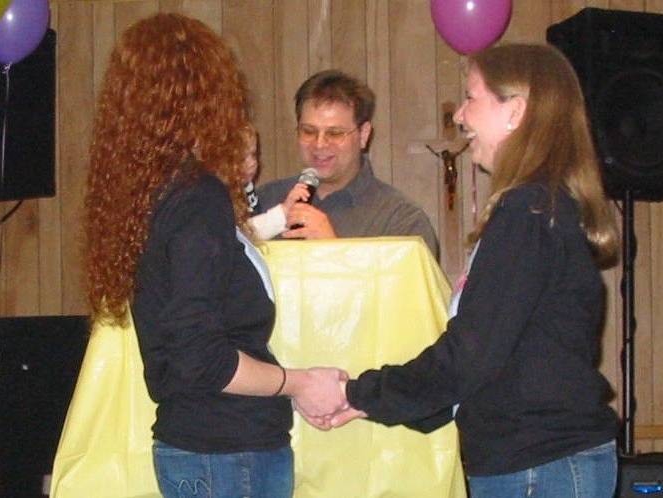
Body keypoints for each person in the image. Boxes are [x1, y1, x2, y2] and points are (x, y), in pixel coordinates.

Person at [328, 44, 621, 498]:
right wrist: (369, 402)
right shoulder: (537, 206)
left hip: (538, 467)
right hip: (538, 462)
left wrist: (358, 393)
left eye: (471, 98)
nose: (461, 116)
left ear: (516, 111)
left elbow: (470, 357)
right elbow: (492, 364)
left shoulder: (528, 209)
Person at [82, 13, 347, 498]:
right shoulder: (195, 195)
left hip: (206, 448)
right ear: (205, 94)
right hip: (228, 455)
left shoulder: (155, 194)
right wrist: (299, 383)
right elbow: (201, 358)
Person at [257, 69, 440, 258]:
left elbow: (407, 287)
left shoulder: (401, 220)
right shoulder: (263, 203)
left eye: (335, 133)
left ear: (364, 135)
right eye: (308, 131)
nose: (319, 144)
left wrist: (335, 251)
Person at [239, 123, 312, 240]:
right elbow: (240, 236)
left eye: (253, 155)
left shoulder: (247, 188)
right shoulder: (217, 195)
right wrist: (283, 213)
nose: (251, 163)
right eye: (241, 158)